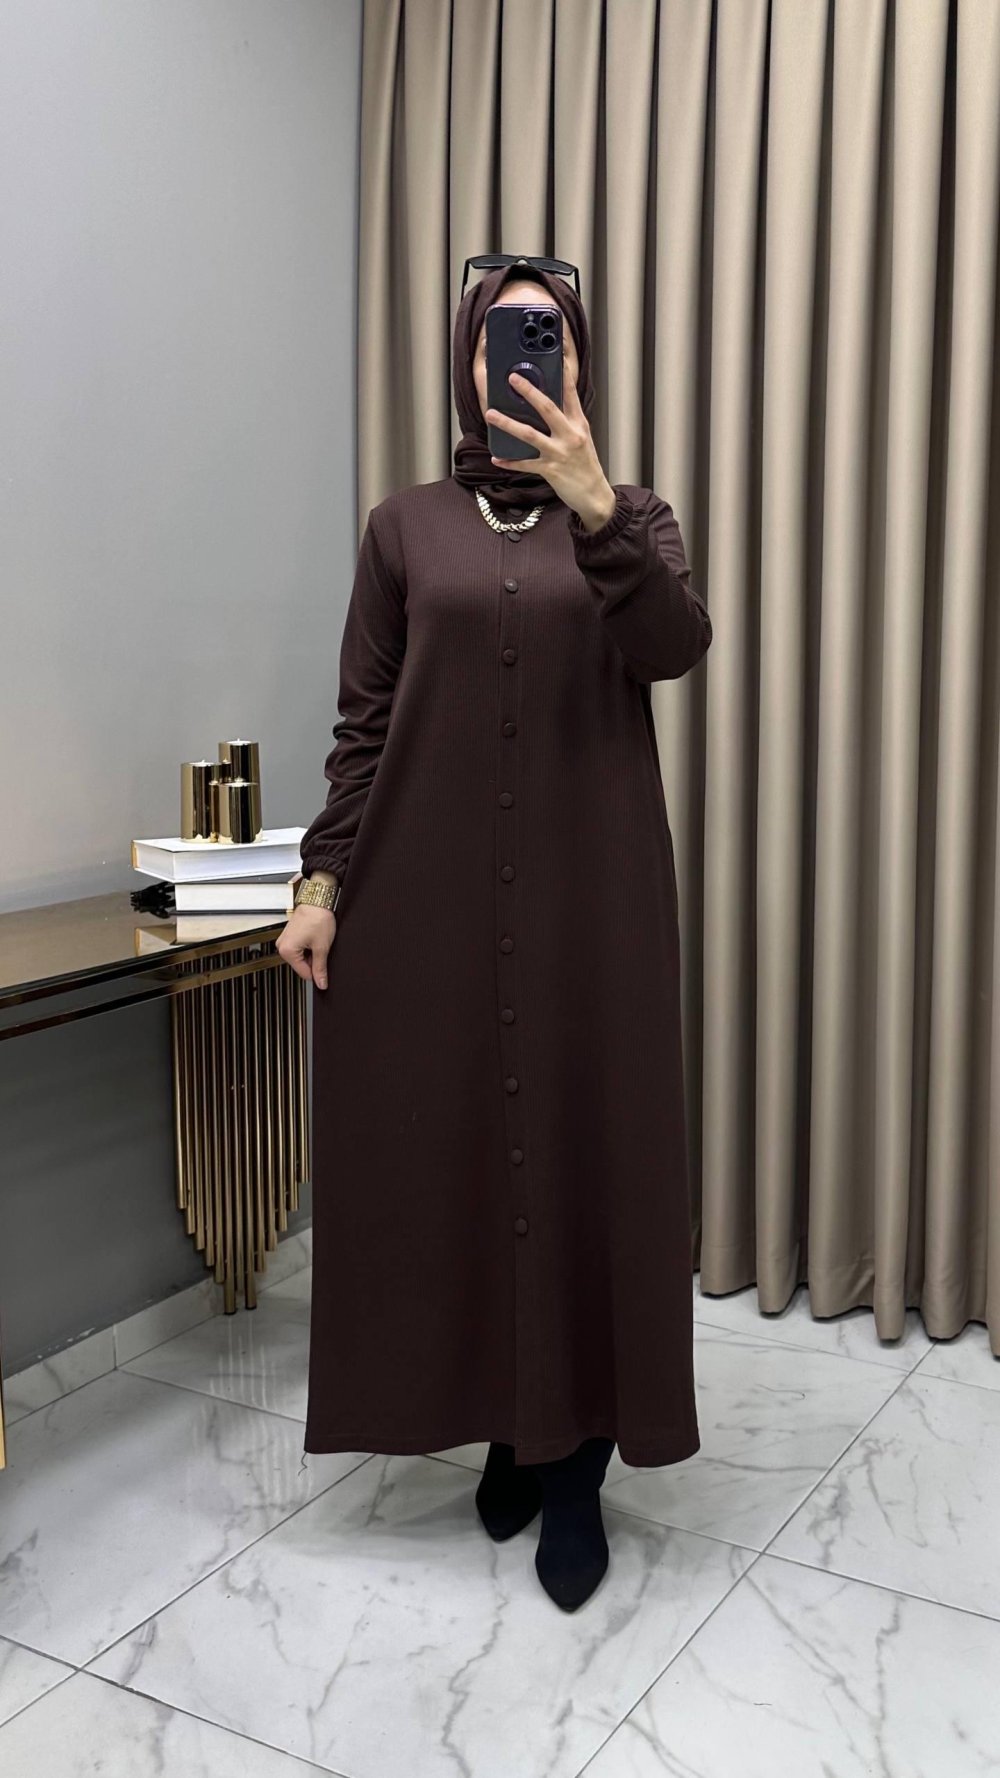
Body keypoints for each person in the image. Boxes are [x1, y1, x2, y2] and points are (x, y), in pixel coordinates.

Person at [278, 260, 713, 1612]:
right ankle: (506, 1431)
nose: (525, 355)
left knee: (587, 1158)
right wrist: (321, 884)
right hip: (431, 903)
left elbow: (674, 647)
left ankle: (576, 1466)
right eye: (503, 336)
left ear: (578, 360)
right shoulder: (403, 528)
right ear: (468, 363)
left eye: (549, 333)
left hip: (594, 907)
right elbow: (364, 722)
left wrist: (596, 507)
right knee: (454, 1156)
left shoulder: (633, 515)